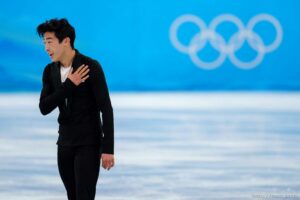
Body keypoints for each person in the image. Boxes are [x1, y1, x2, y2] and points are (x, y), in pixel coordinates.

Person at [37, 18, 114, 200]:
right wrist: (69, 85)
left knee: (84, 197)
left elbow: (106, 109)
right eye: (44, 43)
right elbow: (44, 107)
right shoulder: (50, 71)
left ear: (66, 41)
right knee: (72, 196)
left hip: (88, 144)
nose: (46, 48)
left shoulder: (90, 67)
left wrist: (108, 148)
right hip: (64, 144)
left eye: (50, 42)